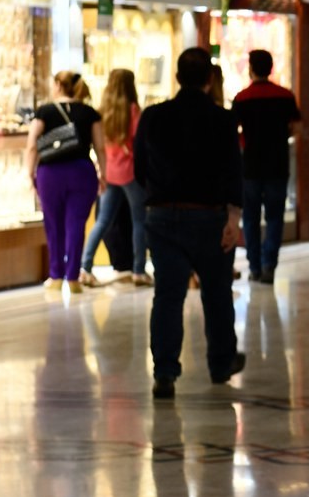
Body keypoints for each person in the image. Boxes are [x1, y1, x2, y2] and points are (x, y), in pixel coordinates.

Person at [134, 48, 247, 401]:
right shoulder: (223, 120)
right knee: (216, 292)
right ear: (210, 79)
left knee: (167, 296)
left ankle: (165, 371)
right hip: (209, 216)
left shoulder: (153, 117)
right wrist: (233, 218)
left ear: (178, 77)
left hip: (163, 215)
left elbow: (139, 168)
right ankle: (220, 362)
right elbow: (233, 172)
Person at [27, 70, 103, 294]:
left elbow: (32, 144)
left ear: (58, 85)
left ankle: (56, 275)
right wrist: (104, 175)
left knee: (53, 223)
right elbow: (100, 148)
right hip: (82, 171)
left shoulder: (44, 111)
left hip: (50, 173)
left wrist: (29, 173)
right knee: (76, 224)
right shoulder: (90, 113)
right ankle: (73, 277)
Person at [232, 50, 302, 284]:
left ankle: (254, 266)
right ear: (271, 68)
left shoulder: (242, 98)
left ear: (251, 69)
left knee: (250, 218)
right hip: (277, 165)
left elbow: (233, 132)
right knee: (275, 217)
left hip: (250, 166)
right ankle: (269, 264)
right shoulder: (285, 96)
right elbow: (297, 128)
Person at [79, 69, 150, 287]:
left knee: (102, 221)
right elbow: (139, 140)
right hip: (129, 172)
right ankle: (138, 270)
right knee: (140, 221)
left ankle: (85, 266)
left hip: (110, 172)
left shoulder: (102, 111)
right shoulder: (133, 110)